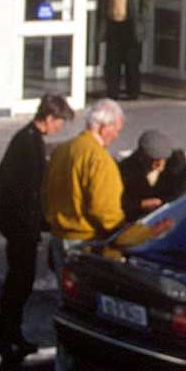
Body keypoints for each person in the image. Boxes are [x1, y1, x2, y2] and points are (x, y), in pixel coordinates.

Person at [0, 93, 72, 367]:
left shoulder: (27, 139)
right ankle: (7, 336)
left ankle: (10, 334)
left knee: (19, 282)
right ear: (49, 118)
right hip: (20, 225)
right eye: (60, 122)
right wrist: (42, 225)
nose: (60, 128)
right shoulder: (30, 143)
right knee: (19, 283)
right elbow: (31, 192)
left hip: (16, 222)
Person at [43, 98, 127, 258]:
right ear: (104, 128)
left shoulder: (63, 149)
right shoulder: (100, 160)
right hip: (85, 241)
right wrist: (124, 232)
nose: (116, 136)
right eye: (116, 129)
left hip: (58, 236)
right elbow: (104, 211)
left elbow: (46, 191)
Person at [99, 0, 154, 101]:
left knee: (132, 61)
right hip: (113, 22)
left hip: (130, 23)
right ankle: (112, 92)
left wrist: (142, 19)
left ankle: (133, 92)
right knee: (112, 61)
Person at [117, 128, 177, 217]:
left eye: (163, 159)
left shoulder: (173, 168)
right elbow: (118, 204)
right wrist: (141, 204)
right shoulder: (125, 171)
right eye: (155, 160)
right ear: (142, 156)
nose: (160, 165)